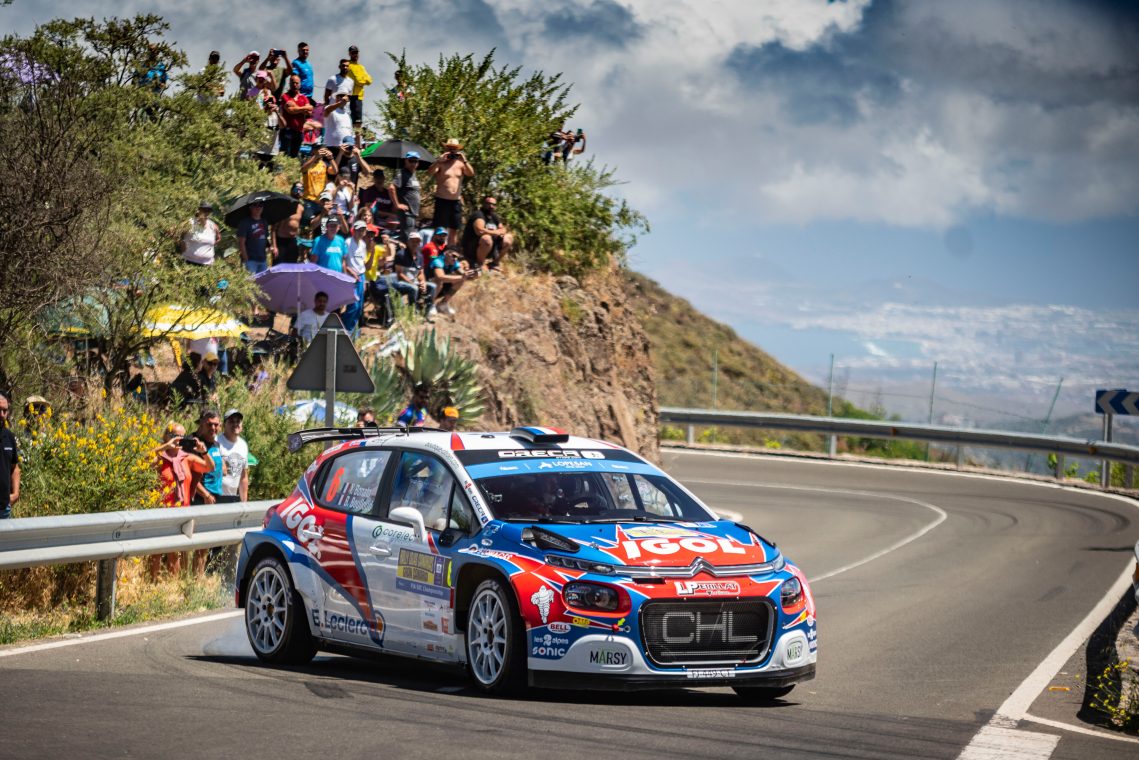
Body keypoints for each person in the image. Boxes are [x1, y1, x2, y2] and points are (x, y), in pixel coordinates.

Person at [150, 422, 212, 577]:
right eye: (174, 436)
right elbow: (143, 462)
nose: (178, 439)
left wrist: (204, 452)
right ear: (166, 436)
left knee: (175, 553)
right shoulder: (160, 458)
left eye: (182, 437)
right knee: (156, 553)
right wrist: (165, 447)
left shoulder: (187, 458)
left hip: (182, 512)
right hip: (161, 512)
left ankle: (173, 584)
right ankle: (152, 585)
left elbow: (209, 467)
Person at [427, 139, 474, 248]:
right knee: (439, 230)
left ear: (458, 150)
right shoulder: (441, 163)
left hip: (455, 202)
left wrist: (465, 160)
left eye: (454, 148)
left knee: (454, 230)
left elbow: (471, 173)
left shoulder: (461, 164)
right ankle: (434, 252)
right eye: (450, 148)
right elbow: (430, 172)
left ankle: (451, 251)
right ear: (446, 149)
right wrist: (438, 161)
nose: (452, 150)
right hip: (442, 200)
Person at [389, 232, 436, 320]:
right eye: (413, 241)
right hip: (400, 282)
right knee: (414, 288)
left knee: (432, 286)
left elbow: (421, 273)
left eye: (417, 241)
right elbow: (399, 274)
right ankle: (412, 313)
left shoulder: (420, 256)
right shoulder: (401, 255)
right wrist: (413, 284)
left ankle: (425, 314)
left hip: (414, 282)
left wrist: (423, 282)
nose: (415, 243)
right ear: (408, 242)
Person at [462, 196, 514, 271]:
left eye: (493, 204)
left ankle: (494, 263)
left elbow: (503, 229)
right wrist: (495, 232)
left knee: (508, 238)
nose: (491, 206)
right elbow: (480, 231)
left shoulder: (493, 216)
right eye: (488, 204)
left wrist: (498, 232)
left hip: (488, 248)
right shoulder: (478, 215)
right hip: (472, 248)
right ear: (483, 204)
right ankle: (480, 264)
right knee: (486, 238)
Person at [429, 246, 474, 317]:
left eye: (457, 257)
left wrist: (470, 275)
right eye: (454, 256)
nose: (455, 259)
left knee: (460, 281)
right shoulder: (438, 260)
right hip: (426, 288)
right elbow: (440, 277)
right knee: (439, 281)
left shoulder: (454, 263)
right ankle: (430, 304)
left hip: (438, 288)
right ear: (446, 253)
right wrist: (462, 277)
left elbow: (462, 273)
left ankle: (443, 304)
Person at [341, 221, 369, 332]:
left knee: (359, 307)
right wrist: (349, 271)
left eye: (363, 230)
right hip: (350, 277)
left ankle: (353, 330)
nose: (360, 232)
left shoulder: (363, 244)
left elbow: (362, 263)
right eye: (358, 230)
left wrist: (364, 280)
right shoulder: (348, 242)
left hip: (361, 276)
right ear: (354, 230)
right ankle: (345, 329)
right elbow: (343, 260)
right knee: (353, 305)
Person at [217, 409, 250, 502]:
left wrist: (244, 503)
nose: (235, 424)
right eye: (231, 421)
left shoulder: (243, 445)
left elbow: (243, 476)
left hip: (233, 498)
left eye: (238, 421)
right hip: (216, 497)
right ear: (224, 425)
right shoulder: (216, 442)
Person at [389, 151, 422, 234]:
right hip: (407, 213)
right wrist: (397, 205)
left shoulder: (412, 175)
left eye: (415, 161)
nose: (413, 163)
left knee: (410, 237)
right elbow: (391, 188)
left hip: (413, 214)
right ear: (406, 161)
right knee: (407, 238)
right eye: (411, 161)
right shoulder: (402, 173)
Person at [179, 201, 221, 266]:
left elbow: (218, 238)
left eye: (209, 210)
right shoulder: (190, 223)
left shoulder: (213, 225)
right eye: (204, 210)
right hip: (188, 262)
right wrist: (182, 244)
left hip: (207, 264)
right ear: (198, 210)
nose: (206, 212)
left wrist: (210, 246)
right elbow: (175, 233)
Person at [279, 75, 312, 158]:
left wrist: (296, 107)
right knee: (284, 156)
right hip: (287, 131)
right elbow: (290, 110)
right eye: (293, 83)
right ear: (289, 83)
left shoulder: (304, 98)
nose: (295, 85)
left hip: (299, 132)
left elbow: (310, 111)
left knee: (294, 157)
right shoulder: (285, 96)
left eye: (297, 83)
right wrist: (303, 109)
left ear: (300, 84)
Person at [301, 147, 338, 219]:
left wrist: (331, 158)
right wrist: (315, 156)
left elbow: (335, 171)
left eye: (322, 150)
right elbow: (303, 169)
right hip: (309, 200)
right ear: (313, 151)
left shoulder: (324, 164)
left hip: (321, 201)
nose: (320, 152)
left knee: (319, 222)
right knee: (309, 222)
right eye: (318, 149)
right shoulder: (307, 162)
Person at [236, 200, 272, 274]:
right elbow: (241, 242)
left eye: (260, 205)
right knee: (251, 281)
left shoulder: (264, 222)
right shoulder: (245, 222)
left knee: (263, 281)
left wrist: (270, 247)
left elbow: (265, 238)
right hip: (250, 260)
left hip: (263, 260)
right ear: (250, 207)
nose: (258, 208)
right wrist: (246, 259)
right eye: (255, 205)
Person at [0, 394, 20, 519]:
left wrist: (15, 494)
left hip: (4, 509)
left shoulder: (9, 436)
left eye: (5, 411)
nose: (2, 415)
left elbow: (15, 468)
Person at [274, 184, 304, 264]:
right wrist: (274, 246)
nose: (298, 192)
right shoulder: (283, 205)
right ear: (291, 191)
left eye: (301, 190)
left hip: (293, 241)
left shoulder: (301, 208)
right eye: (296, 189)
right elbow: (274, 228)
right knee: (278, 268)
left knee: (292, 267)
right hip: (281, 241)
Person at [322, 82, 353, 159]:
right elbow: (327, 111)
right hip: (331, 147)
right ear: (336, 98)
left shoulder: (347, 114)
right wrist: (339, 103)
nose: (343, 98)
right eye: (341, 96)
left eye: (345, 96)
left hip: (345, 149)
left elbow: (349, 131)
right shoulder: (331, 109)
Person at [345, 45, 372, 130]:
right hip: (353, 96)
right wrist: (364, 79)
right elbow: (358, 81)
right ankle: (356, 137)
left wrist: (362, 79)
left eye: (356, 53)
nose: (355, 55)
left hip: (359, 96)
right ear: (349, 54)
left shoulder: (361, 67)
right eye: (353, 53)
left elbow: (370, 80)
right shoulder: (348, 65)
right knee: (356, 122)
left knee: (358, 121)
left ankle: (357, 137)